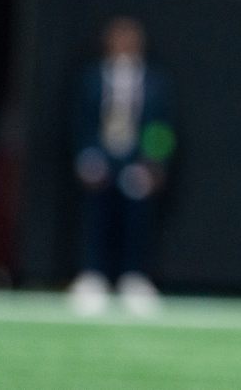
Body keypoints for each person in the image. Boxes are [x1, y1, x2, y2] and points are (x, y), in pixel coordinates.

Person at [68, 17, 176, 316]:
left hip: (136, 160)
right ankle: (93, 275)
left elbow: (161, 126)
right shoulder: (92, 78)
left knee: (137, 216)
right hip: (101, 156)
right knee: (96, 213)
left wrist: (154, 163)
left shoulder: (155, 81)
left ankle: (134, 277)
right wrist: (86, 156)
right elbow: (81, 121)